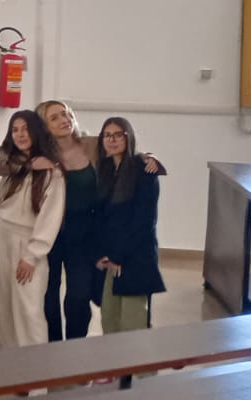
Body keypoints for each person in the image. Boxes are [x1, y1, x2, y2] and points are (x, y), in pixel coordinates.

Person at [27, 100, 166, 343]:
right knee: (47, 295)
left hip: (84, 233)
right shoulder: (39, 153)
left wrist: (148, 157)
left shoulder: (91, 144)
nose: (64, 120)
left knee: (79, 294)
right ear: (45, 126)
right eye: (55, 118)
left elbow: (123, 151)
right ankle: (51, 348)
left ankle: (75, 348)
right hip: (48, 233)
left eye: (66, 114)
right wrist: (28, 162)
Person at [0, 110, 66, 350]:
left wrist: (31, 256)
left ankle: (33, 376)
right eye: (15, 129)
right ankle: (3, 367)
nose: (20, 134)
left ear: (36, 131)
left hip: (26, 245)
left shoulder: (51, 172)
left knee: (28, 312)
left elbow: (50, 218)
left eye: (25, 129)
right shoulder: (11, 168)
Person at [94, 117, 165, 338]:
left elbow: (144, 221)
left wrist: (119, 256)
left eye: (118, 135)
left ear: (129, 137)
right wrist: (102, 254)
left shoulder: (143, 170)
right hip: (110, 257)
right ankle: (114, 371)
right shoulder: (104, 168)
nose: (112, 140)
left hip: (135, 257)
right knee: (110, 317)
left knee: (133, 322)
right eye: (107, 135)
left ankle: (139, 372)